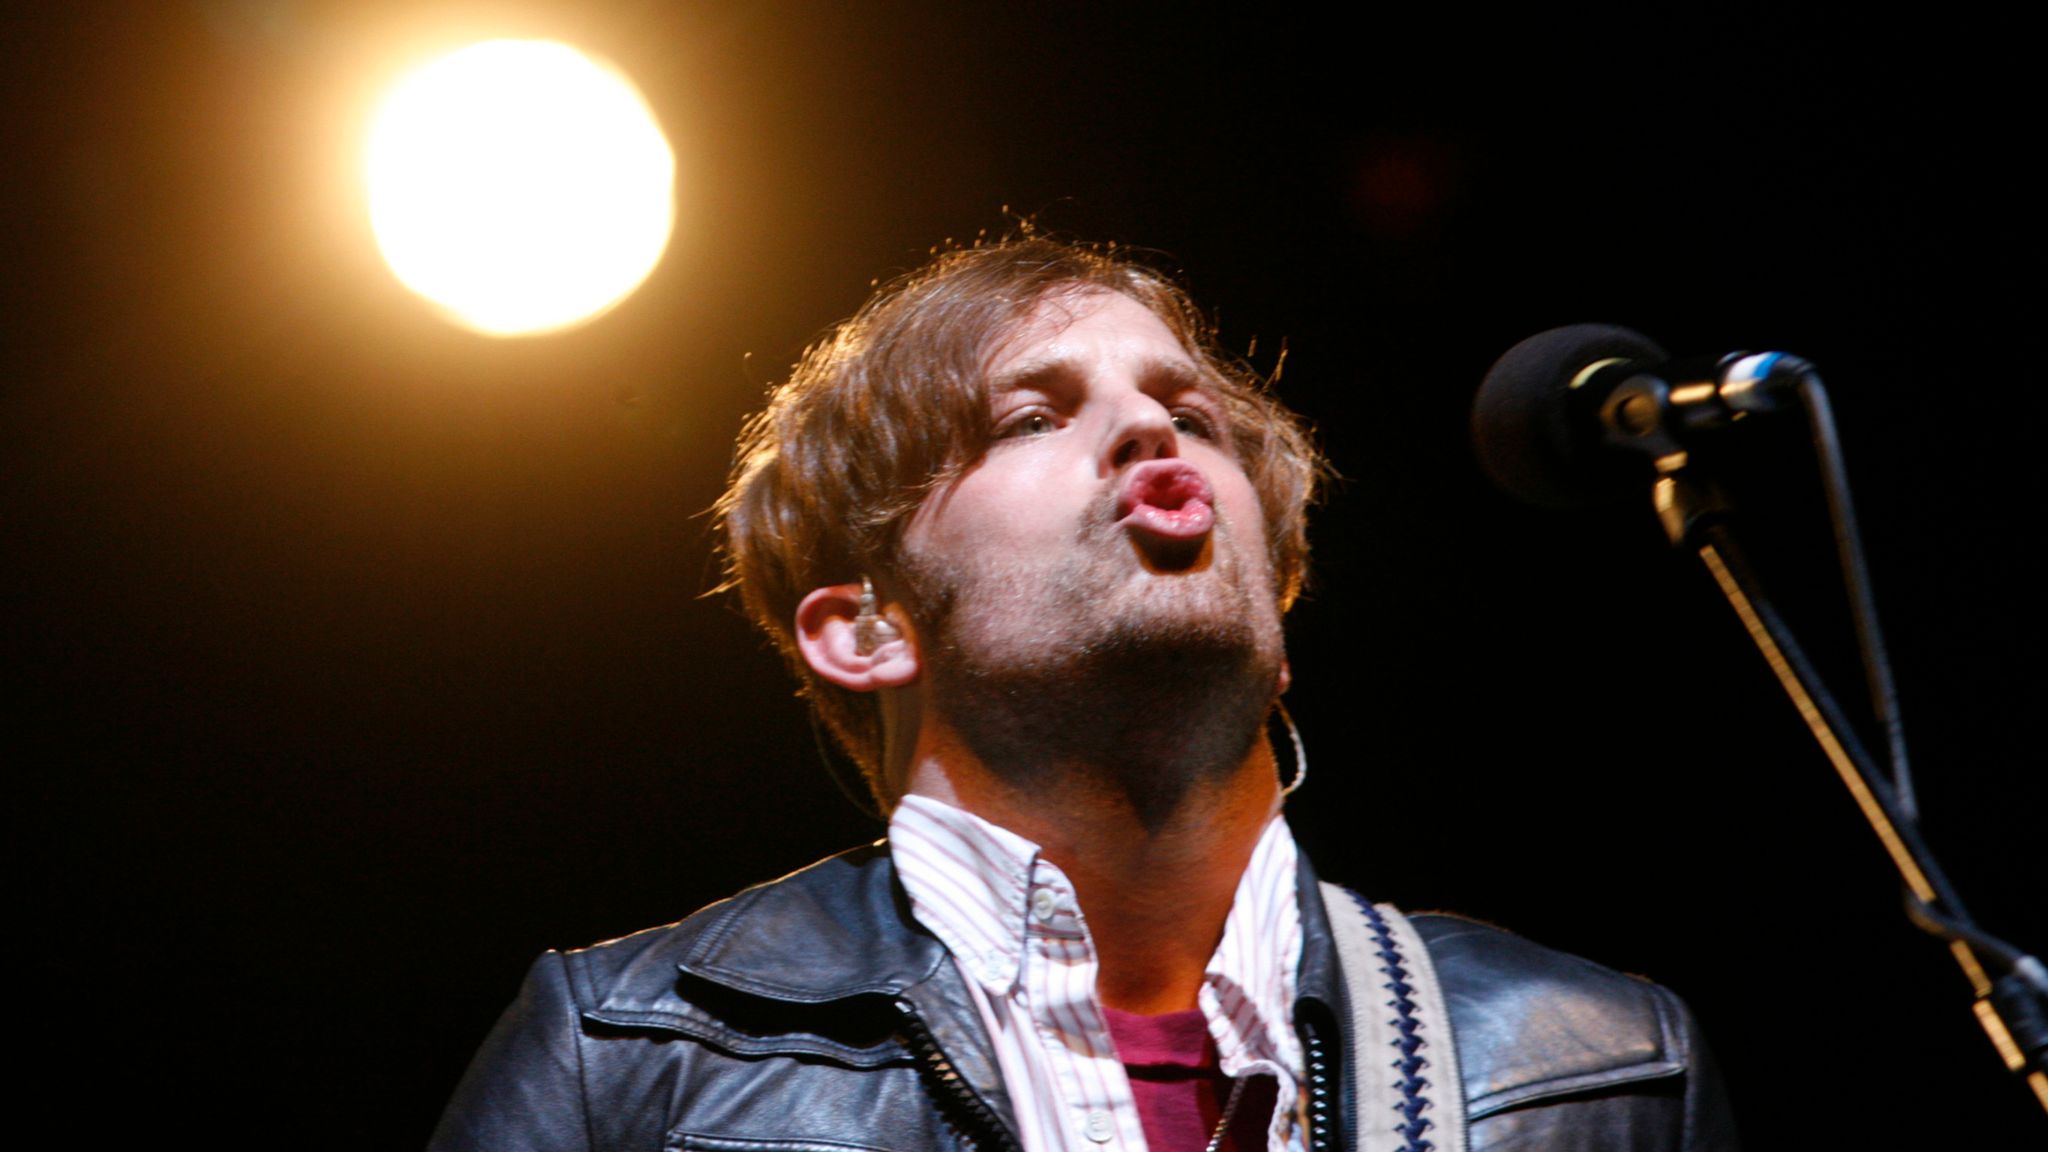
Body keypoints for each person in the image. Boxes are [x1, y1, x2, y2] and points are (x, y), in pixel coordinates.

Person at [429, 237, 1739, 1152]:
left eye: (1191, 412)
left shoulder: (1592, 1060)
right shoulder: (634, 1057)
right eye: (1029, 419)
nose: (1150, 431)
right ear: (865, 630)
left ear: (1279, 625)